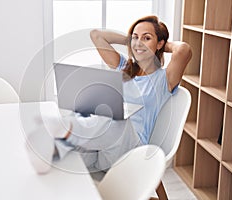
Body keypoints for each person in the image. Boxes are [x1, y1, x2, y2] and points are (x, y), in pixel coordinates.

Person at [28, 15, 192, 172]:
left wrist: (162, 44)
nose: (139, 43)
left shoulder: (163, 79)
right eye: (135, 37)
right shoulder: (123, 67)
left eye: (146, 38)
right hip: (101, 149)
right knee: (71, 157)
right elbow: (96, 35)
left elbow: (184, 50)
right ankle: (55, 150)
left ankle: (66, 129)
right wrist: (131, 41)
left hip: (130, 152)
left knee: (119, 122)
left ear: (159, 44)